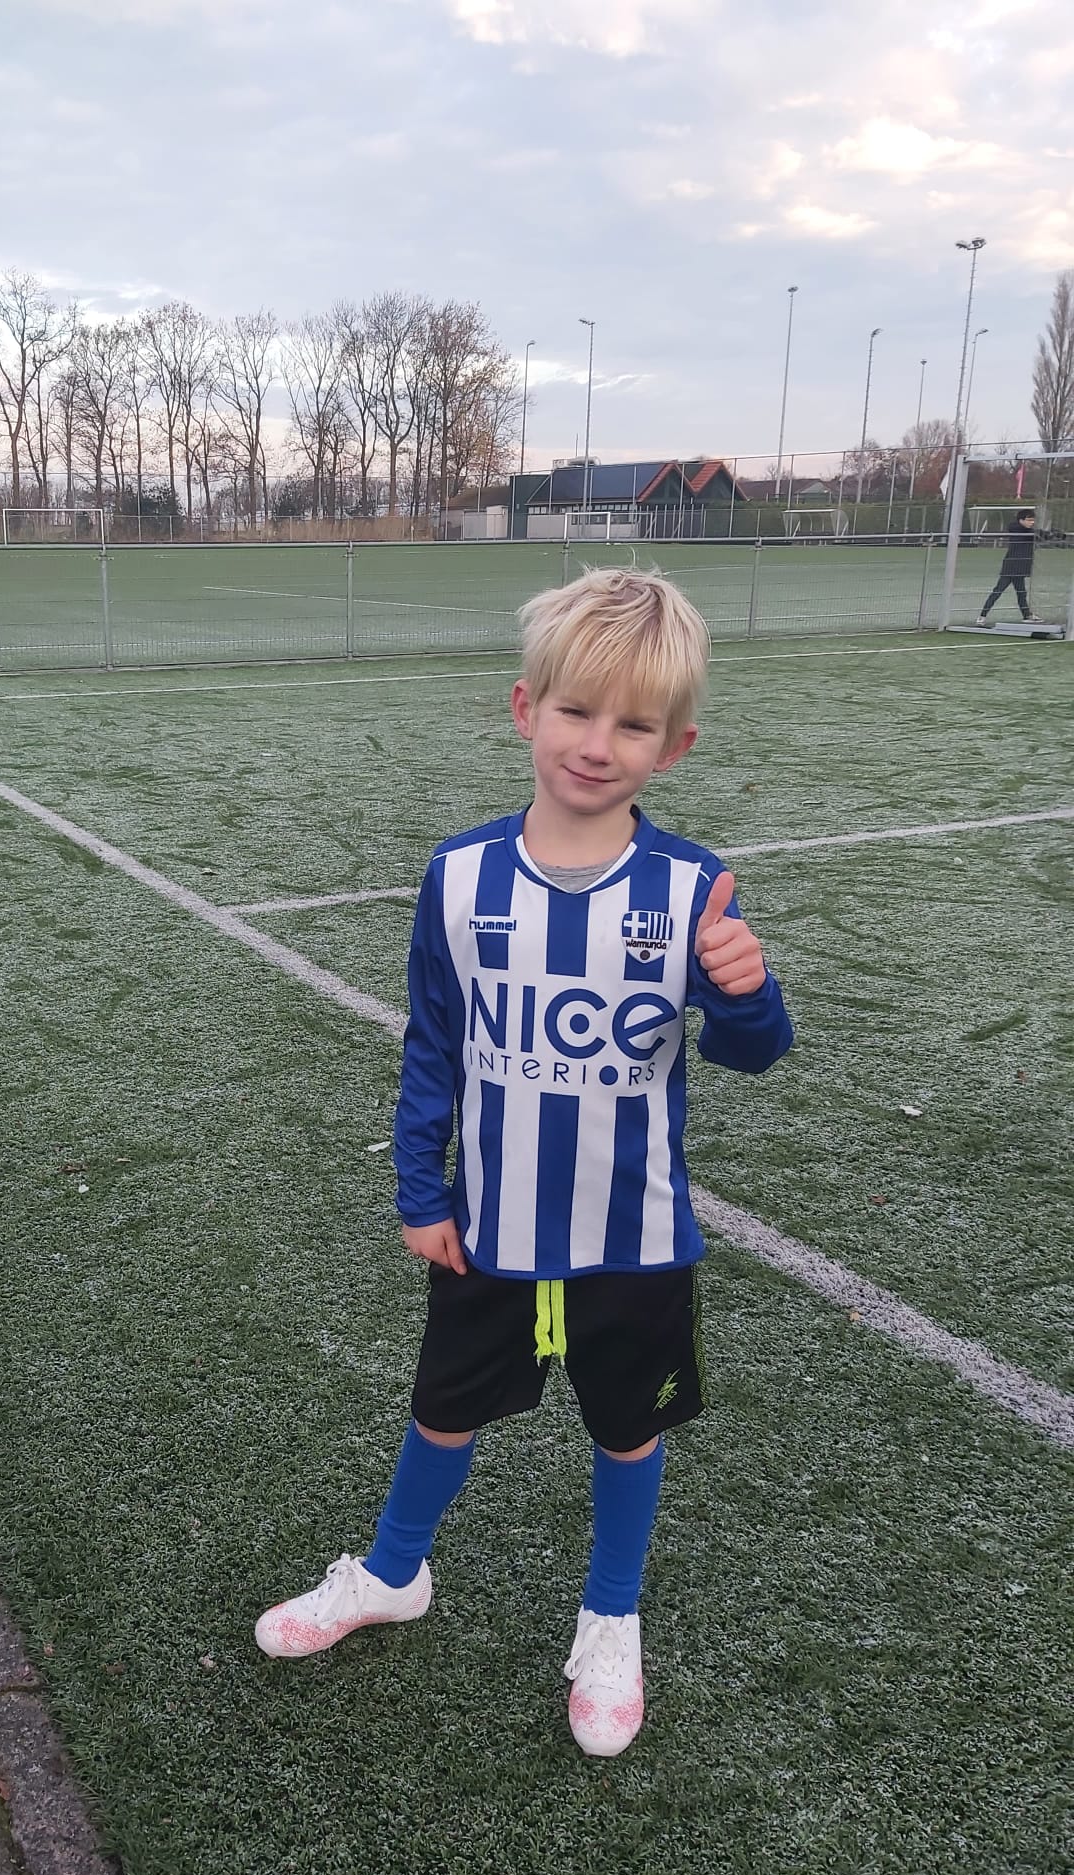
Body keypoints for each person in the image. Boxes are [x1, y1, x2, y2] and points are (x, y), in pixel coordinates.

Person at [254, 569, 793, 1758]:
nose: (598, 745)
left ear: (675, 746)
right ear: (524, 708)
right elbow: (434, 1048)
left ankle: (611, 1617)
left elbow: (755, 1051)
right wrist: (419, 1191)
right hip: (488, 1226)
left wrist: (747, 993)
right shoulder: (459, 877)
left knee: (626, 1431)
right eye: (576, 711)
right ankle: (393, 1572)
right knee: (443, 1411)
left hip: (635, 1237)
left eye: (634, 724)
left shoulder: (690, 888)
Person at [977, 508, 1037, 624]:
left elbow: (1040, 534)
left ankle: (1026, 616)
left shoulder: (1029, 532)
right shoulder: (1017, 530)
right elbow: (1022, 531)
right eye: (1029, 520)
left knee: (1021, 593)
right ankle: (982, 616)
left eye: (1033, 520)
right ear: (1021, 520)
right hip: (1010, 567)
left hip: (1020, 569)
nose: (1032, 522)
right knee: (998, 591)